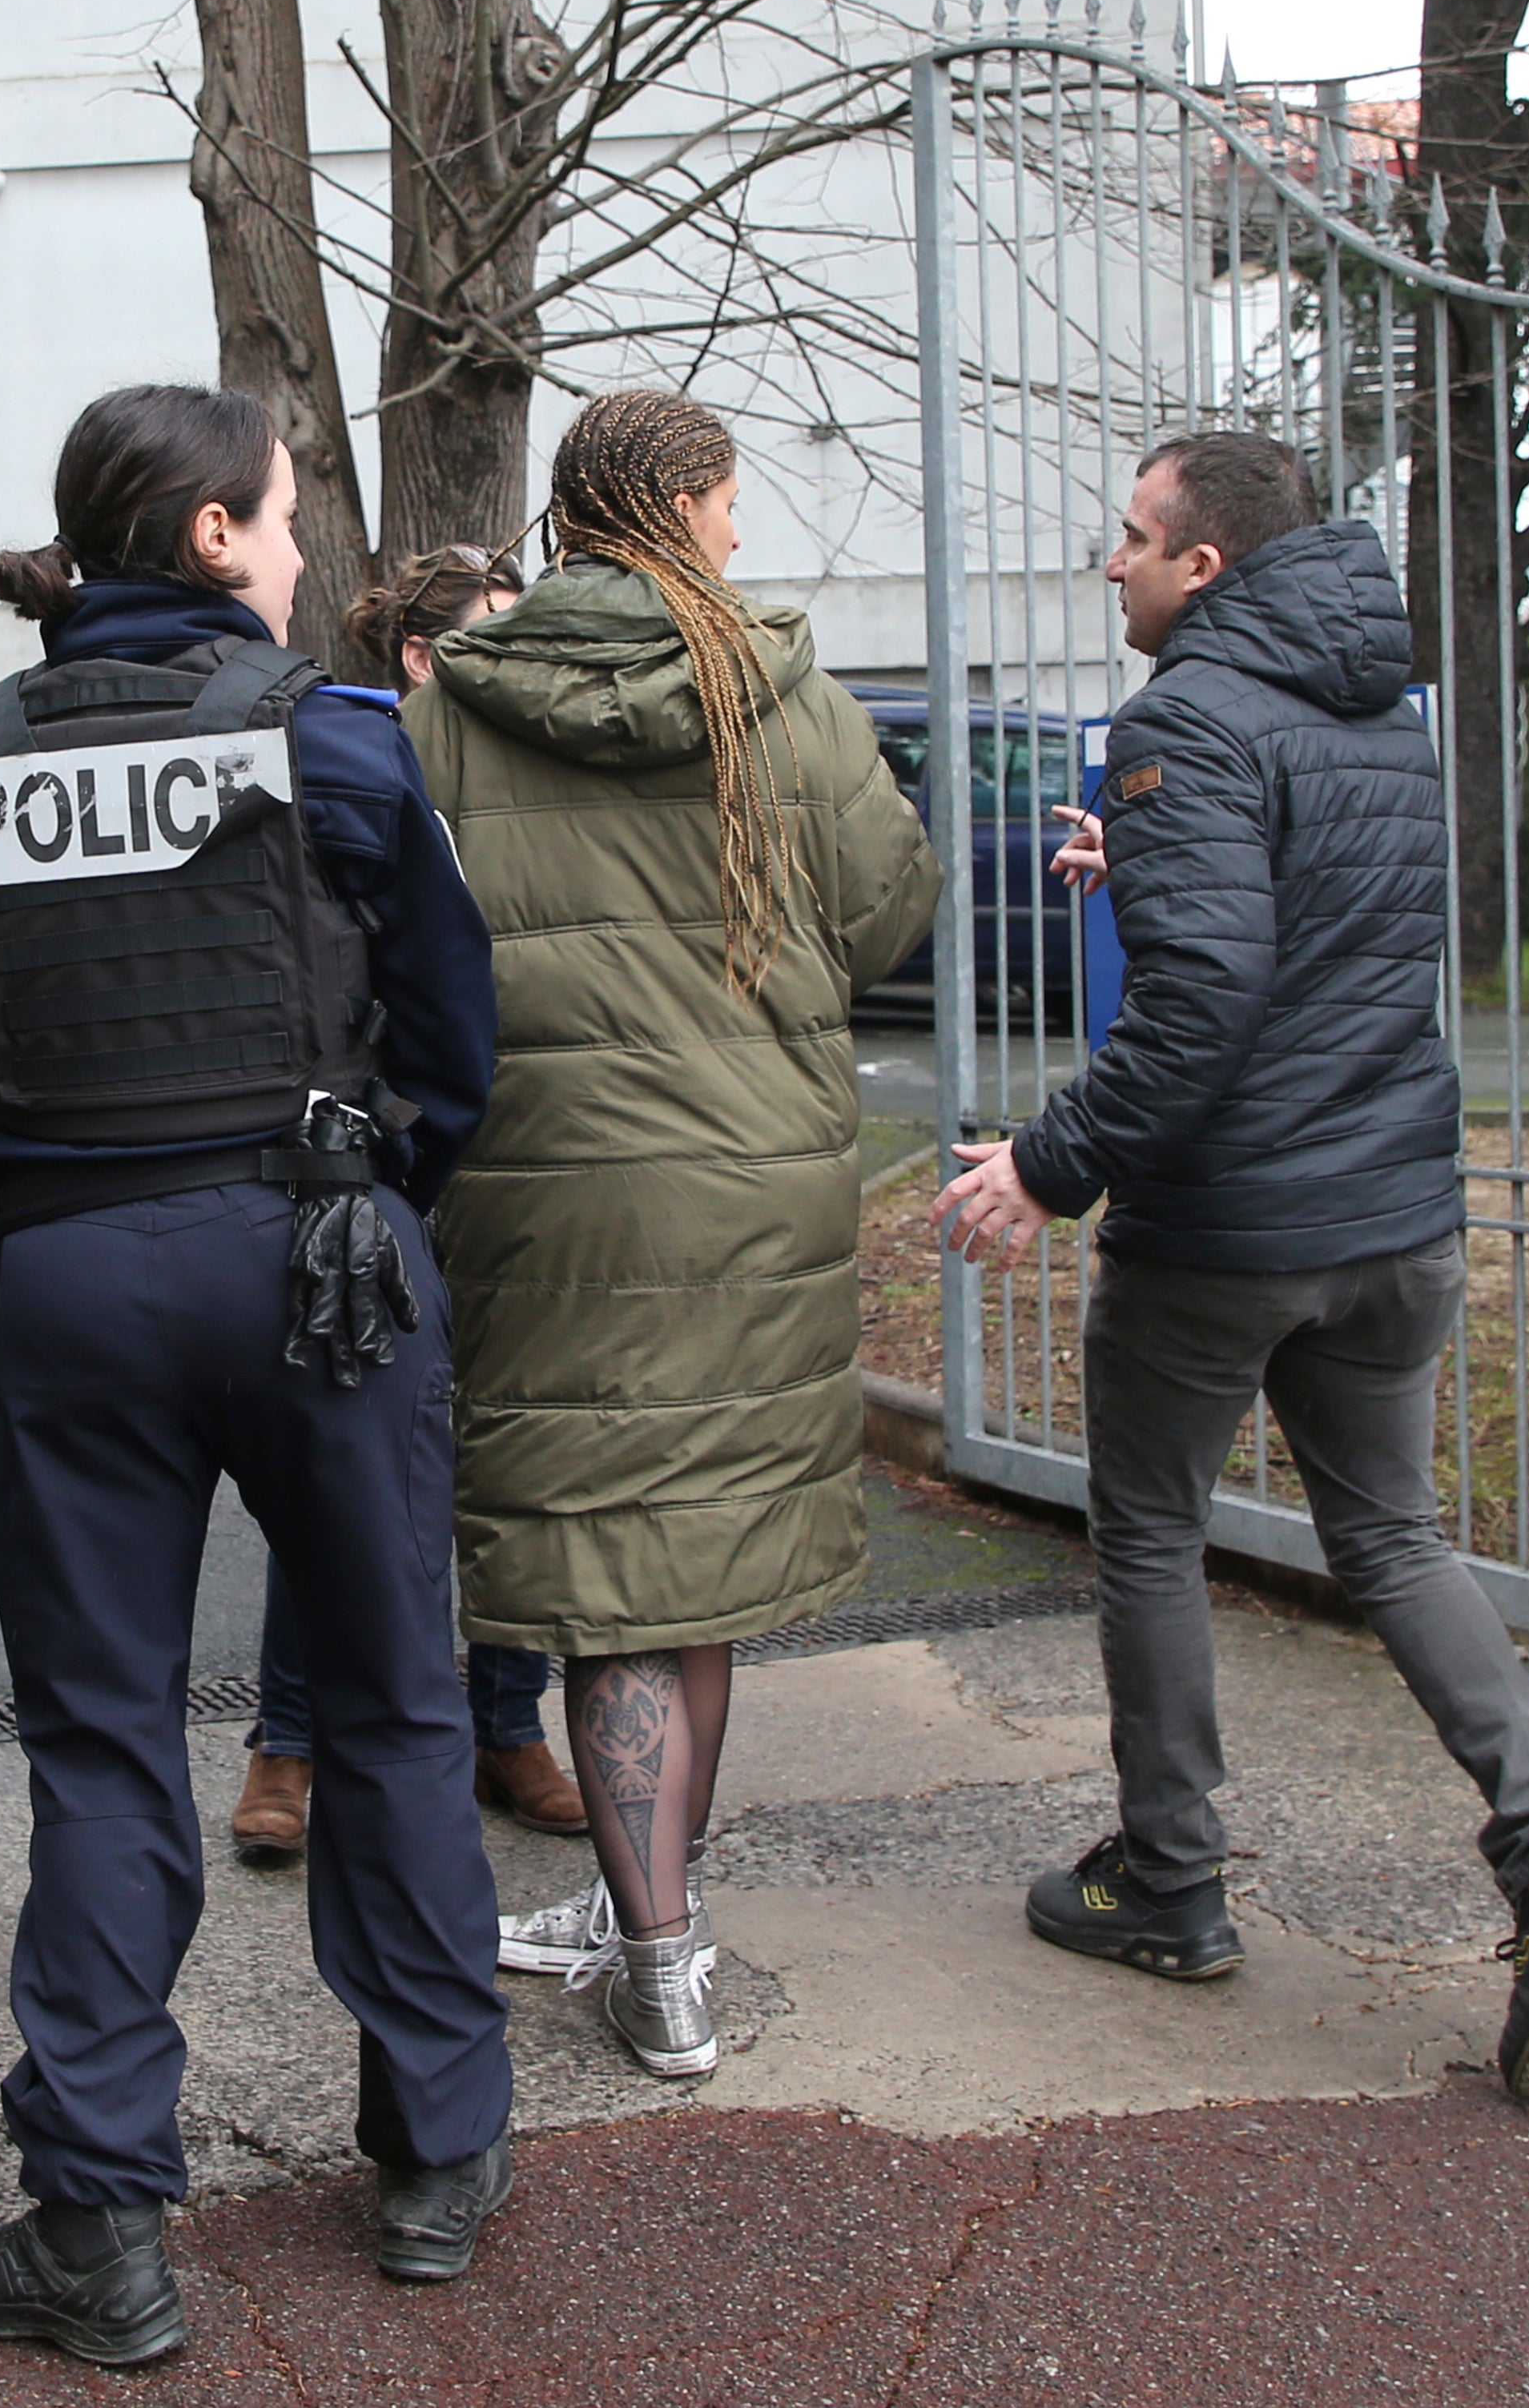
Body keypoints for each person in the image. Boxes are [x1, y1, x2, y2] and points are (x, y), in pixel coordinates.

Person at [0, 384, 516, 2363]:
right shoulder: (331, 735)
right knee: (400, 1708)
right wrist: (355, 1184)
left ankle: (95, 2228)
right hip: (317, 1265)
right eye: (288, 514)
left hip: (72, 1283)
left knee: (99, 1743)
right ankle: (430, 2159)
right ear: (215, 541)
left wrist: (63, 1195)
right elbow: (454, 1026)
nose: (308, 547)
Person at [928, 430, 1529, 2100]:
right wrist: (1149, 863)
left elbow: (1195, 1015)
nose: (1108, 563)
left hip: (1231, 1230)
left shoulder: (1180, 718)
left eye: (1130, 539)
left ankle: (1168, 1883)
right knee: (1396, 1537)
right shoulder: (1375, 712)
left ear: (1205, 565)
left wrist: (1042, 1169)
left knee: (1152, 1532)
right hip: (1394, 1212)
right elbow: (1333, 920)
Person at [408, 391, 936, 2080]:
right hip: (757, 1180)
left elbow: (399, 946)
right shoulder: (779, 692)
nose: (735, 530)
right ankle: (662, 1935)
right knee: (682, 1554)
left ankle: (656, 1934)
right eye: (726, 500)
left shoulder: (457, 708)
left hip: (543, 1183)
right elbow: (889, 909)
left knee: (614, 1565)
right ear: (689, 504)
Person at [227, 545, 586, 1859]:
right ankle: (287, 1739)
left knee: (511, 1449)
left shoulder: (553, 772)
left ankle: (508, 1720)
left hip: (527, 1142)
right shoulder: (365, 761)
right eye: (500, 639)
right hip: (376, 1152)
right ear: (426, 661)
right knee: (336, 1450)